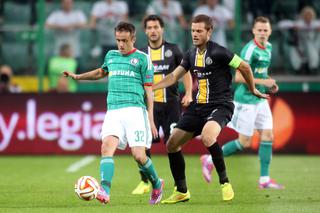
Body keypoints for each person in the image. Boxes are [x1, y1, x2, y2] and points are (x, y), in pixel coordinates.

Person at [153, 14, 268, 204]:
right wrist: (151, 87)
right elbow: (174, 76)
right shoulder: (190, 54)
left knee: (208, 136)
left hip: (221, 105)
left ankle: (225, 183)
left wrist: (253, 88)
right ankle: (181, 191)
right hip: (198, 107)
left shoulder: (219, 52)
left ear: (209, 32)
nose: (195, 34)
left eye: (199, 31)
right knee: (172, 144)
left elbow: (245, 67)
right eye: (193, 30)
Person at [63, 21, 164, 205]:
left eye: (125, 40)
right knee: (106, 147)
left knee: (139, 156)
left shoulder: (143, 59)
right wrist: (79, 77)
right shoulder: (111, 55)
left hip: (135, 110)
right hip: (113, 110)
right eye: (118, 40)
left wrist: (150, 118)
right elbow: (101, 72)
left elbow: (149, 91)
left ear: (133, 38)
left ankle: (157, 184)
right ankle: (105, 191)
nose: (121, 44)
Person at [200, 16, 284, 189]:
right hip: (246, 101)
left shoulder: (268, 47)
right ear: (253, 31)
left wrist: (268, 82)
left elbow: (259, 74)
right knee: (244, 142)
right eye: (259, 30)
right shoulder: (249, 50)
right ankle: (209, 159)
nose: (262, 33)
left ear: (270, 32)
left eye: (265, 30)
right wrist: (264, 83)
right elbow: (238, 77)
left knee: (268, 136)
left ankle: (264, 180)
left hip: (260, 99)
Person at [131, 14, 193, 195]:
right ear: (145, 31)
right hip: (149, 108)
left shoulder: (173, 50)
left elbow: (185, 73)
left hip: (171, 105)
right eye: (149, 28)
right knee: (141, 145)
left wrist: (188, 93)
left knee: (174, 145)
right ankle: (145, 182)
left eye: (156, 27)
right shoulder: (141, 54)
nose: (153, 30)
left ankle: (179, 185)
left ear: (162, 29)